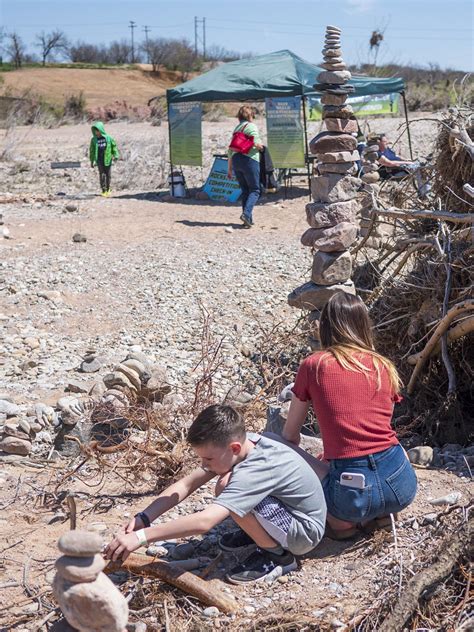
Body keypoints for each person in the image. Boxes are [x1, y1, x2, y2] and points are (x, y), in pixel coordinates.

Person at [105, 404, 327, 584]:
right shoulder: (244, 442)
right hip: (288, 510)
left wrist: (142, 537)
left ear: (234, 449)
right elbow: (187, 484)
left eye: (208, 459)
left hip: (303, 533)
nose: (204, 464)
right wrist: (144, 518)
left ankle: (277, 556)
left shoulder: (255, 469)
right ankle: (258, 533)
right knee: (227, 486)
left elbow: (205, 522)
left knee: (227, 489)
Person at [282, 292, 417, 540]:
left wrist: (324, 463)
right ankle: (381, 514)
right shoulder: (383, 365)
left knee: (280, 445)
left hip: (350, 495)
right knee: (385, 449)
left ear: (325, 326)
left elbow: (290, 436)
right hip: (401, 485)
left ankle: (342, 523)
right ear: (364, 325)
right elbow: (372, 430)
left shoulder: (314, 365)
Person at [227, 106, 263, 228]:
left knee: (245, 190)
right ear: (250, 115)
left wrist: (230, 168)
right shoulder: (251, 126)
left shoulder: (237, 128)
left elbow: (230, 150)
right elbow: (256, 143)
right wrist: (261, 147)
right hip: (250, 160)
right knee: (255, 190)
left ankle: (247, 220)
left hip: (237, 161)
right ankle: (246, 214)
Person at [89, 121, 119, 197]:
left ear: (101, 129)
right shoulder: (94, 140)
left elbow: (114, 147)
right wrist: (92, 161)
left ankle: (108, 189)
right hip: (99, 160)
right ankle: (103, 190)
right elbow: (91, 151)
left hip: (108, 159)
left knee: (108, 175)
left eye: (98, 130)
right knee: (101, 174)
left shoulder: (108, 138)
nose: (96, 132)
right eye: (95, 130)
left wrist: (116, 155)